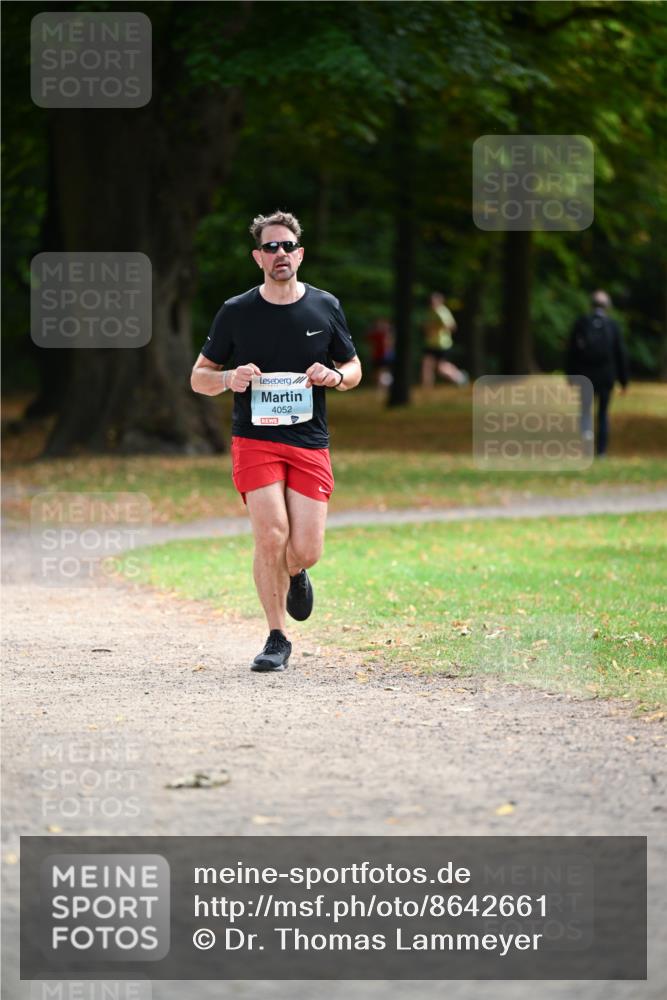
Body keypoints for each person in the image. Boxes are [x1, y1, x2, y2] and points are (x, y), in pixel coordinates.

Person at [191, 210, 362, 672]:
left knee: (305, 548)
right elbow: (199, 378)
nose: (280, 253)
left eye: (287, 246)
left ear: (300, 253)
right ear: (258, 257)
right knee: (270, 535)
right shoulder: (237, 312)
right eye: (271, 247)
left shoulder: (325, 306)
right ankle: (276, 636)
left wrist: (336, 375)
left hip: (309, 441)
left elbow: (354, 367)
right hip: (255, 441)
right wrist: (230, 377)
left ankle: (296, 570)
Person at [565, 290, 629, 457]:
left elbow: (571, 351)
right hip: (606, 376)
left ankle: (586, 441)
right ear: (607, 306)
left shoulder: (581, 323)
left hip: (585, 374)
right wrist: (623, 381)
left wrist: (571, 375)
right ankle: (601, 451)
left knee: (585, 410)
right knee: (603, 413)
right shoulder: (612, 326)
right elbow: (620, 354)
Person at [421, 292, 468, 387]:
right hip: (431, 344)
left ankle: (460, 377)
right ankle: (426, 388)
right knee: (427, 365)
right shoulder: (430, 312)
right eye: (431, 301)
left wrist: (436, 328)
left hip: (442, 344)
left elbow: (451, 326)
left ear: (440, 301)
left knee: (441, 368)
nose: (432, 303)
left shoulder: (442, 311)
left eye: (434, 301)